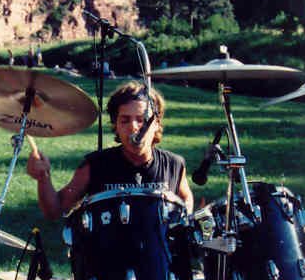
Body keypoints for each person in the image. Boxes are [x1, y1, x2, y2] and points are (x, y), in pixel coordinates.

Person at [27, 81, 193, 218]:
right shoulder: (95, 165)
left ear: (156, 123)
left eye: (141, 120)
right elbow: (55, 210)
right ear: (116, 126)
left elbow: (185, 199)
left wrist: (189, 216)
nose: (133, 127)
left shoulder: (174, 164)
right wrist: (43, 178)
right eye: (125, 120)